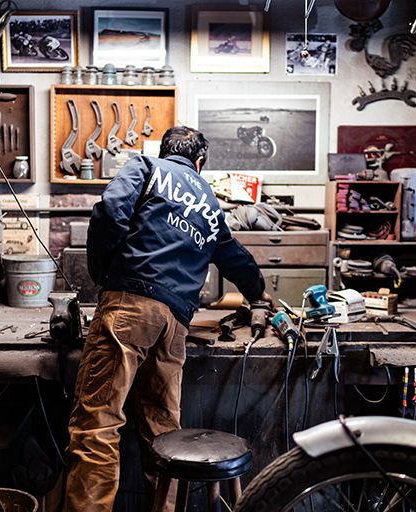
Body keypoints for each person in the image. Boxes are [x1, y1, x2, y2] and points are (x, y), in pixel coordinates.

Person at [63, 126, 268, 512]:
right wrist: (258, 291)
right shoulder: (208, 199)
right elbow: (232, 253)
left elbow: (109, 211)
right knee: (164, 433)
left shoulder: (145, 166)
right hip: (175, 324)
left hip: (130, 306)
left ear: (165, 150)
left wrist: (102, 274)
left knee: (98, 424)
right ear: (200, 163)